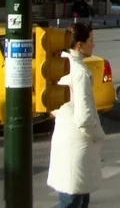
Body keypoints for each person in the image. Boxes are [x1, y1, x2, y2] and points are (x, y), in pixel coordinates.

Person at [47, 23, 105, 208]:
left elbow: (52, 104)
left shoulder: (59, 66)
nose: (93, 45)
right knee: (73, 201)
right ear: (79, 45)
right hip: (78, 145)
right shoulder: (79, 73)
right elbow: (85, 117)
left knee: (74, 198)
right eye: (91, 41)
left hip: (63, 137)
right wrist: (98, 135)